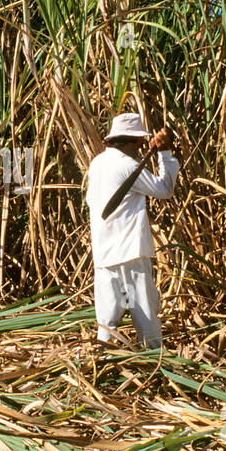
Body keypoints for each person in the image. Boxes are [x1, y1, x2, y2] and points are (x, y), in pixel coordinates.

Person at [85, 112, 179, 350]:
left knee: (106, 323)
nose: (140, 147)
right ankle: (158, 365)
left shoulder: (97, 163)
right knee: (146, 318)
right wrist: (165, 153)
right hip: (130, 252)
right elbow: (165, 189)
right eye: (139, 142)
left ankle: (103, 366)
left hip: (104, 253)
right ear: (131, 141)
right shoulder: (127, 165)